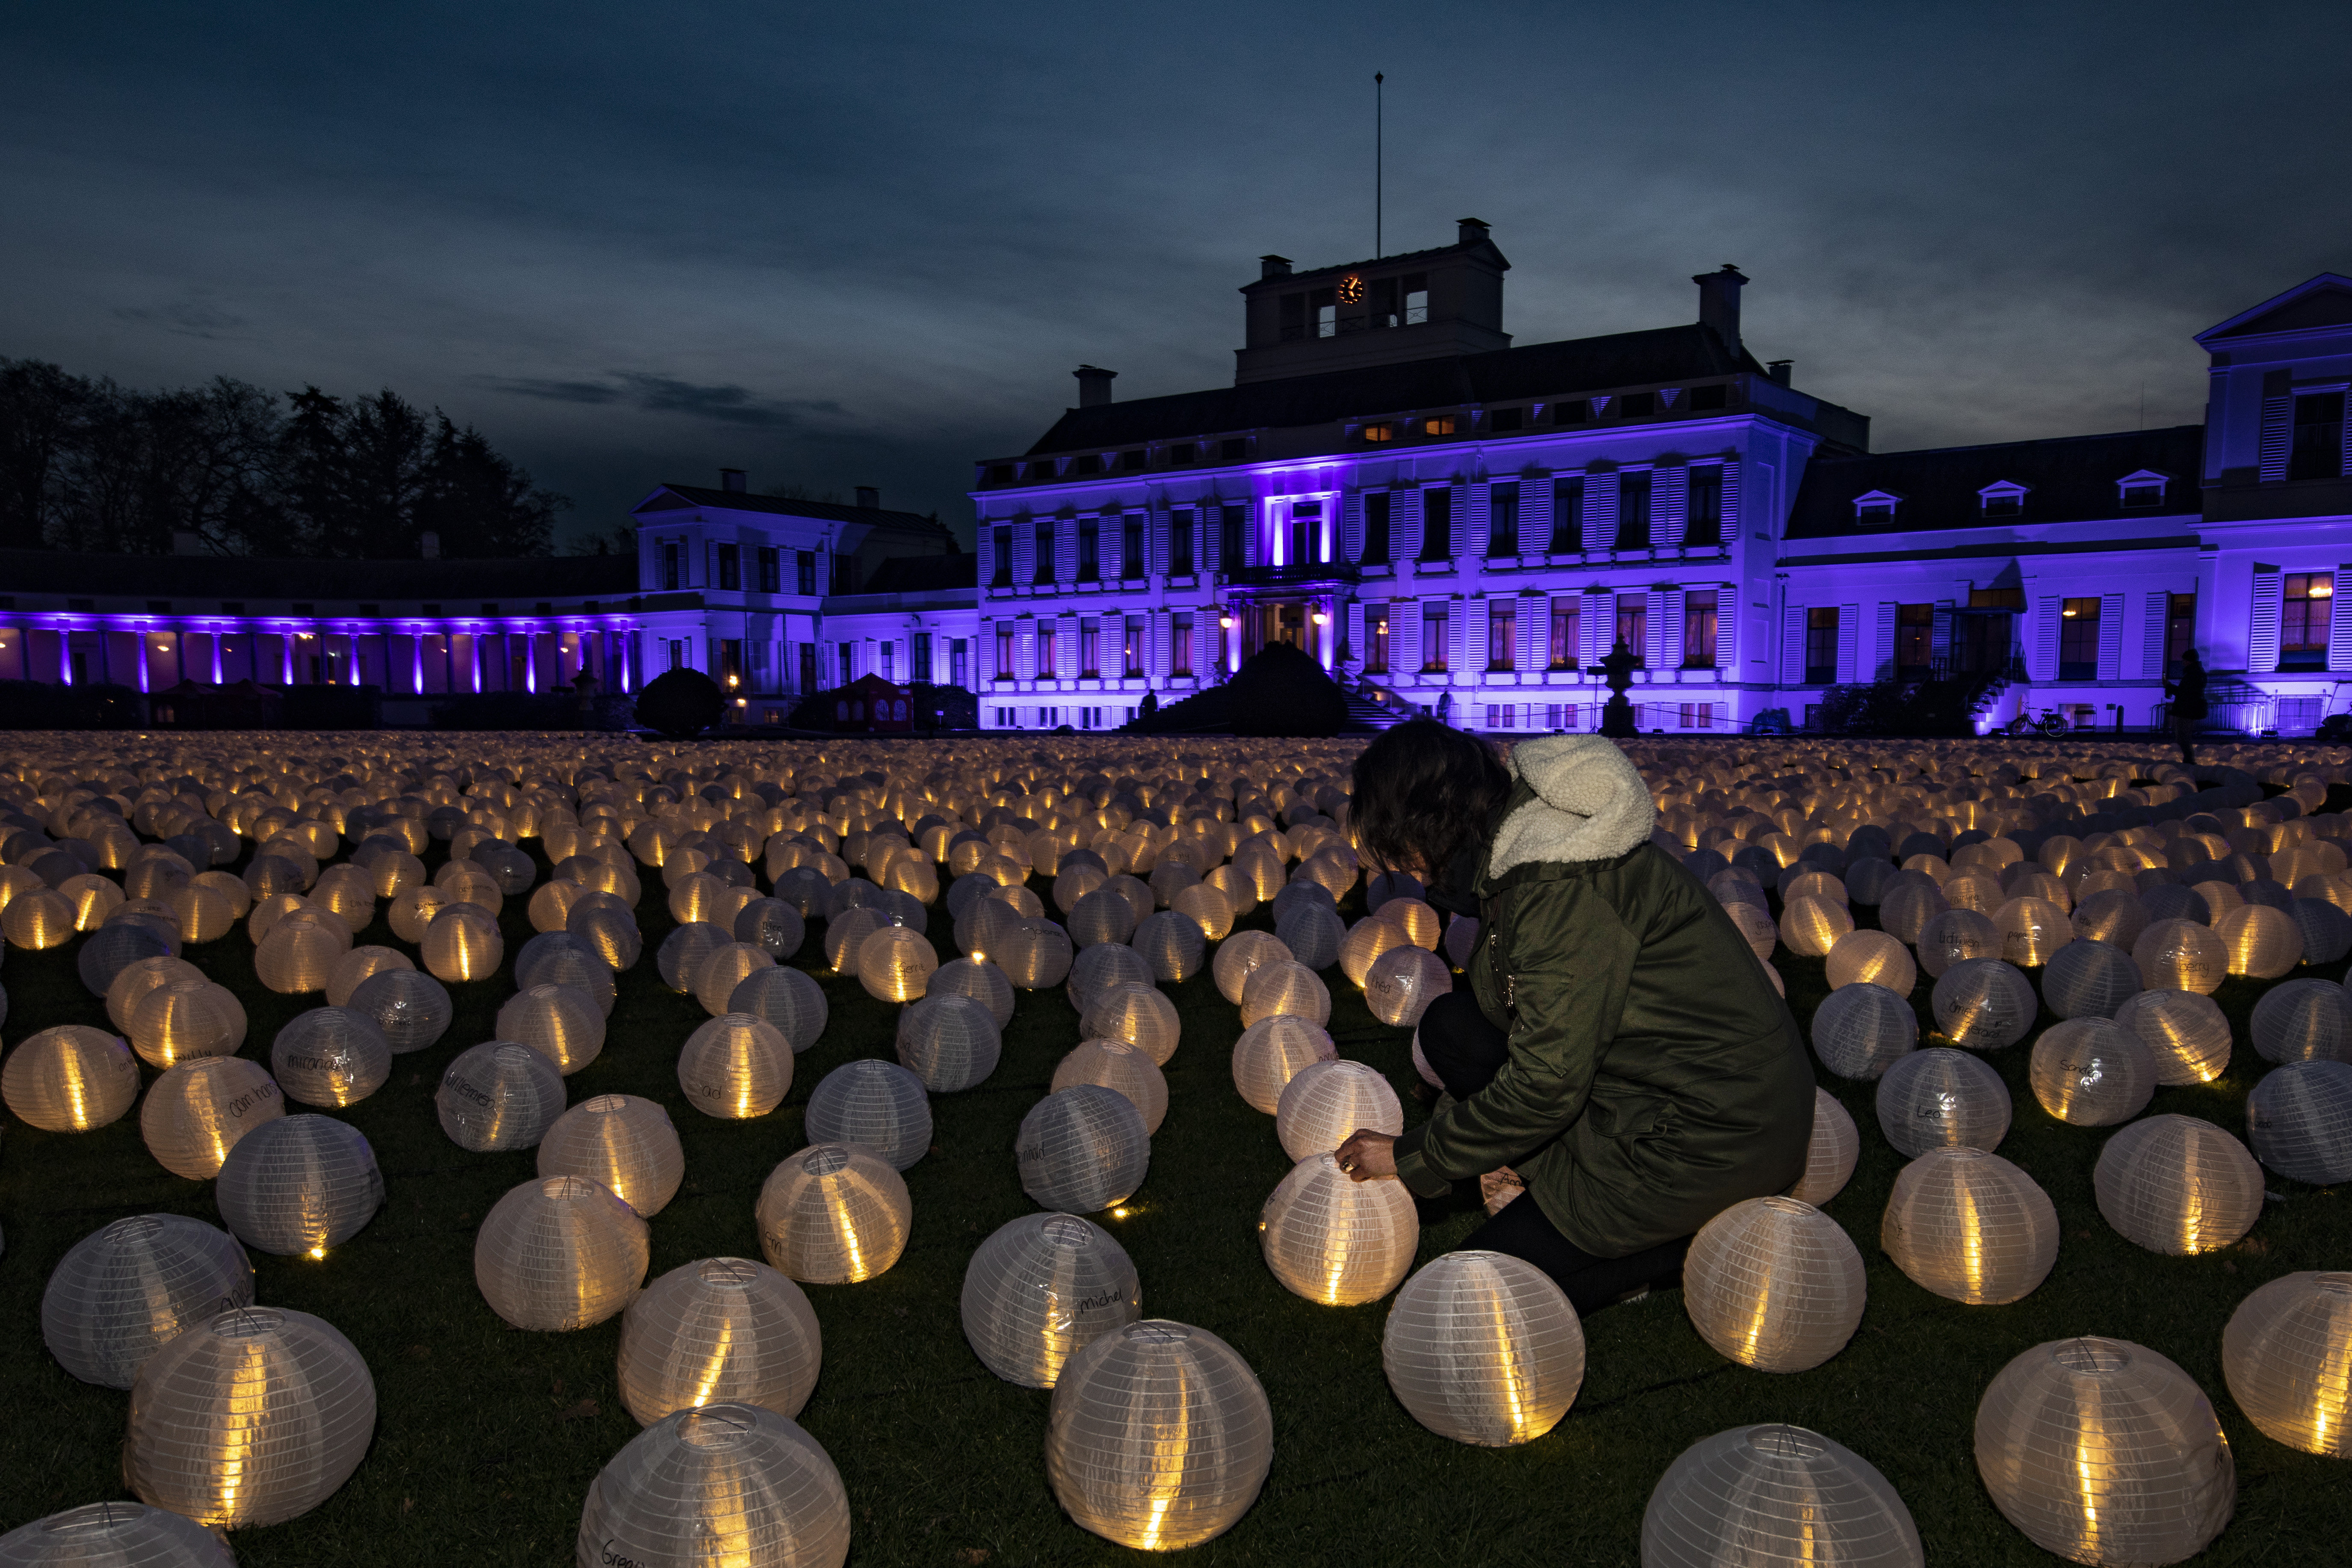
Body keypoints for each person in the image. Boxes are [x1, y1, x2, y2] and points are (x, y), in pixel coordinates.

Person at [1334, 720, 1814, 1314]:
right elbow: (1530, 1018)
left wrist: (1414, 1155)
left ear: (1428, 826)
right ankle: (1577, 1186)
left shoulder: (1556, 885)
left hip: (1712, 1135)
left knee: (1482, 1294)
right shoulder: (1520, 845)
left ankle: (1692, 1236)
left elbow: (1546, 1086)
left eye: (1399, 846)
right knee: (1451, 1029)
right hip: (1645, 1085)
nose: (1405, 868)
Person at [2165, 648, 2206, 768]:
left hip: (2187, 710)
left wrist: (2170, 686)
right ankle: (2189, 760)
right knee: (2183, 737)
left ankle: (2190, 761)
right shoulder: (2196, 673)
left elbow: (2185, 693)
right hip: (2187, 709)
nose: (2182, 662)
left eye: (2184, 660)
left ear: (2189, 661)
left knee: (2183, 737)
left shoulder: (2193, 675)